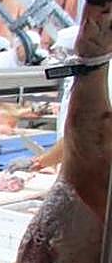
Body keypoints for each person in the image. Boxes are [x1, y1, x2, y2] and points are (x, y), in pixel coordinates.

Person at [31, 25, 82, 171]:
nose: (59, 56)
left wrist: (42, 162)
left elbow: (80, 132)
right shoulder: (77, 75)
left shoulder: (101, 78)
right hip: (73, 160)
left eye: (62, 52)